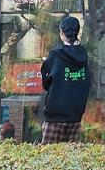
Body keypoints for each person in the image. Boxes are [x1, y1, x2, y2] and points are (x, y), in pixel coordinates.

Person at [40, 15, 91, 144]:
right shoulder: (84, 55)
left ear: (62, 32)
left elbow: (45, 83)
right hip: (75, 117)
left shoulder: (55, 55)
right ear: (77, 32)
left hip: (54, 117)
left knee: (48, 158)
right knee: (70, 159)